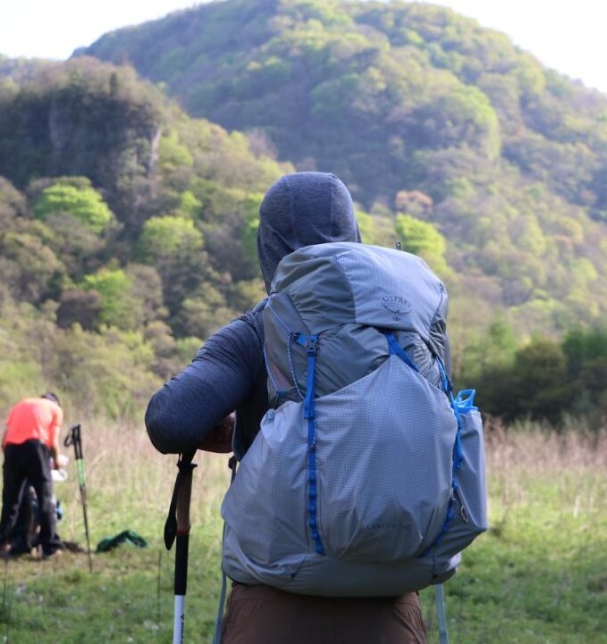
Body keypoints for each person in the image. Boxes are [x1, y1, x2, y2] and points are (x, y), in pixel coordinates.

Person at [145, 172, 427, 643]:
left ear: (267, 247)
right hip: (391, 596)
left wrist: (241, 427)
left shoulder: (261, 328)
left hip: (276, 599)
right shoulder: (408, 322)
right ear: (354, 235)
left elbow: (170, 421)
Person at [0, 392, 66, 560]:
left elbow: (3, 441)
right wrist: (56, 461)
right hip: (36, 447)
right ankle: (49, 547)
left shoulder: (20, 404)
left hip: (12, 449)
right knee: (45, 498)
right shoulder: (55, 410)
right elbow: (53, 442)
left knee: (11, 500)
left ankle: (4, 544)